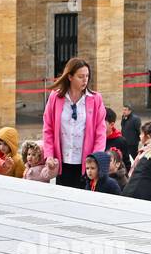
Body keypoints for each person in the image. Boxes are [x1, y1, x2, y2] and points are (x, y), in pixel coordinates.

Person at [42, 57, 107, 190]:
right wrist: (49, 155)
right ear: (70, 77)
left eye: (87, 76)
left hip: (85, 164)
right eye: (80, 76)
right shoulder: (55, 97)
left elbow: (100, 132)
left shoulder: (95, 99)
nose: (85, 80)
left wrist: (95, 157)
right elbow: (48, 128)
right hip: (62, 162)